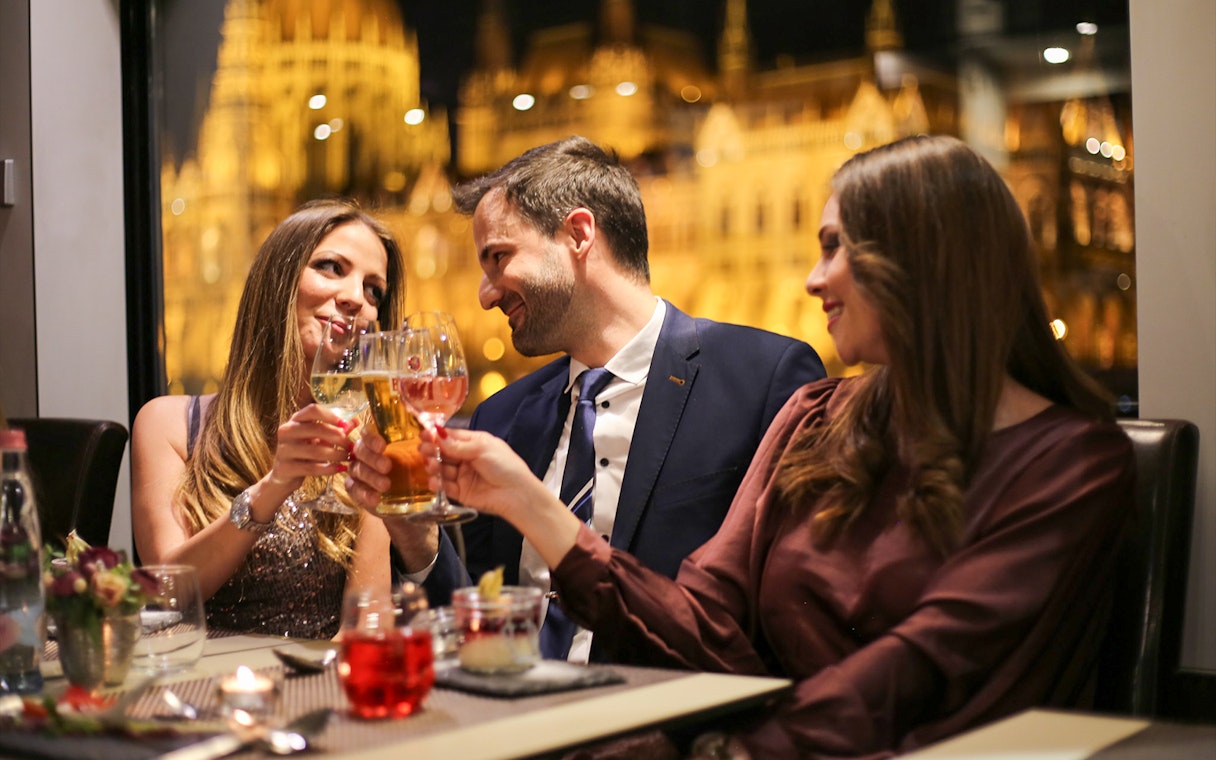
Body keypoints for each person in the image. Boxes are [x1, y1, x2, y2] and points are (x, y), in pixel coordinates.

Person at [410, 136, 1135, 758]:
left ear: (925, 260)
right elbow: (705, 621)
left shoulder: (1073, 462)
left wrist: (724, 750)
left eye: (835, 247)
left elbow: (924, 668)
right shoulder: (815, 416)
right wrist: (533, 508)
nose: (815, 279)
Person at [347, 136, 825, 662]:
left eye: (499, 258)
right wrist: (416, 541)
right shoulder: (501, 416)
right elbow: (471, 624)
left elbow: (788, 623)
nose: (485, 294)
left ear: (578, 234)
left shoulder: (764, 379)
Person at [131, 199, 405, 638]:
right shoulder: (169, 424)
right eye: (332, 267)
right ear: (277, 282)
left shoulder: (368, 439)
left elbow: (367, 625)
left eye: (374, 290)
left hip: (314, 689)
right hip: (196, 687)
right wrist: (273, 487)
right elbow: (167, 592)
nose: (357, 298)